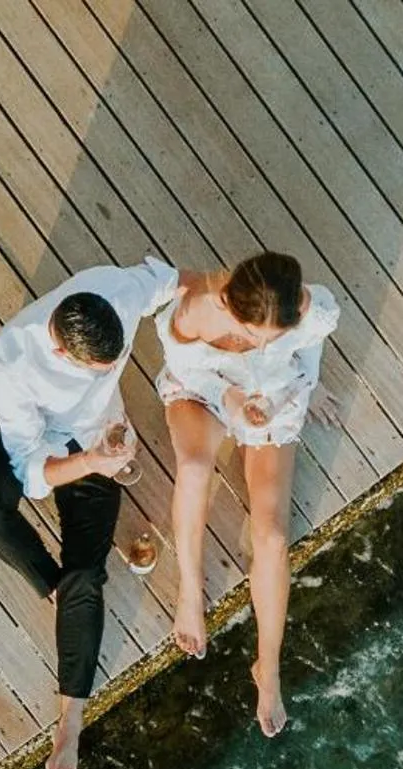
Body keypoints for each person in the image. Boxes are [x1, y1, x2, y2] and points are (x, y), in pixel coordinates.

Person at [0, 259, 179, 769]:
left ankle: (71, 720)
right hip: (38, 443)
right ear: (62, 350)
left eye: (112, 366)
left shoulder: (118, 293)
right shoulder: (14, 365)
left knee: (87, 573)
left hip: (99, 441)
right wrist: (89, 464)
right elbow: (30, 473)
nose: (107, 375)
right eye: (96, 370)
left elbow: (181, 281)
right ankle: (49, 586)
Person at [156, 252, 340, 737]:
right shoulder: (197, 310)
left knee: (274, 536)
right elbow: (189, 371)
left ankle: (269, 666)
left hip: (270, 402)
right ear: (236, 312)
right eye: (265, 336)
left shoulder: (307, 308)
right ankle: (190, 591)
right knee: (195, 466)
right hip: (206, 394)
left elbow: (309, 351)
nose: (271, 342)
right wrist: (233, 400)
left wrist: (303, 389)